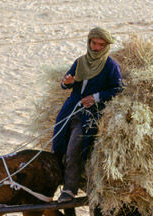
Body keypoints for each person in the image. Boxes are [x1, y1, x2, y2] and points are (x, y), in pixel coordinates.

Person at [52, 27, 123, 203]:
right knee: (58, 141)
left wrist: (96, 97)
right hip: (71, 108)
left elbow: (118, 88)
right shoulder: (80, 62)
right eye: (94, 43)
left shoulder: (110, 66)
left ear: (106, 46)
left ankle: (70, 189)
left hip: (90, 113)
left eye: (101, 44)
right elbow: (67, 83)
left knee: (74, 148)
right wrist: (66, 83)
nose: (96, 47)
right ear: (89, 42)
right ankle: (60, 178)